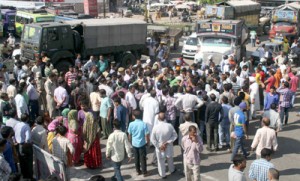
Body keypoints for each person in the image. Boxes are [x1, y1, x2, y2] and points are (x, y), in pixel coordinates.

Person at [151, 112, 177, 179]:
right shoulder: (169, 125)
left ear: (158, 118)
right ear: (165, 118)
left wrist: (159, 145)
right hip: (168, 146)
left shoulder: (155, 127)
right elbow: (175, 136)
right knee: (170, 158)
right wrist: (168, 142)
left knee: (160, 161)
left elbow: (152, 139)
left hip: (160, 147)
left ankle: (163, 174)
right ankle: (172, 170)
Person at [127, 110, 150, 176]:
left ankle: (138, 171)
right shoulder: (144, 124)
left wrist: (130, 142)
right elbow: (146, 135)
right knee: (142, 158)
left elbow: (129, 134)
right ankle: (144, 172)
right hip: (142, 144)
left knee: (136, 158)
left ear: (133, 116)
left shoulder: (131, 124)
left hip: (134, 144)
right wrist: (148, 142)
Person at [14, 113, 33, 179]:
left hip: (19, 145)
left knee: (22, 161)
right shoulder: (26, 126)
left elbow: (14, 133)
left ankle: (24, 176)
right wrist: (27, 144)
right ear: (27, 119)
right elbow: (28, 138)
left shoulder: (17, 124)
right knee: (29, 162)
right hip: (25, 145)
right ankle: (30, 177)